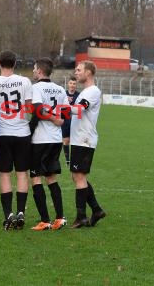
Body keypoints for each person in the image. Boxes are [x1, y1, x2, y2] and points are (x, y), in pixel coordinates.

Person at [0, 50, 32, 230]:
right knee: (21, 174)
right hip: (22, 133)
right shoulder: (25, 81)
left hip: (2, 134)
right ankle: (20, 212)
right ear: (15, 63)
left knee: (4, 173)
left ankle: (8, 214)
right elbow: (29, 109)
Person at [28, 58, 68, 231]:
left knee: (36, 178)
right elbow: (66, 112)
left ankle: (45, 220)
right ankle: (60, 217)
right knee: (51, 177)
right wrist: (59, 119)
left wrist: (52, 118)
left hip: (40, 139)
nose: (33, 72)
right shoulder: (60, 89)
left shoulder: (35, 88)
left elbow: (37, 109)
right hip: (55, 139)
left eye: (34, 69)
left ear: (40, 71)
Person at [69, 60, 106, 228]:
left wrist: (55, 109)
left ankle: (81, 216)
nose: (76, 72)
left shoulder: (93, 91)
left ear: (88, 73)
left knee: (79, 177)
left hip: (84, 140)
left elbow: (79, 109)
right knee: (77, 176)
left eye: (79, 70)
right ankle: (96, 210)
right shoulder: (85, 91)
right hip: (79, 139)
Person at [61, 76, 79, 166]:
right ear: (68, 84)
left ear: (76, 85)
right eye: (71, 83)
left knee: (75, 141)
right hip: (65, 120)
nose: (72, 85)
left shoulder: (79, 95)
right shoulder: (63, 94)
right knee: (66, 140)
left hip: (75, 121)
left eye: (74, 83)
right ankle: (68, 160)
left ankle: (74, 159)